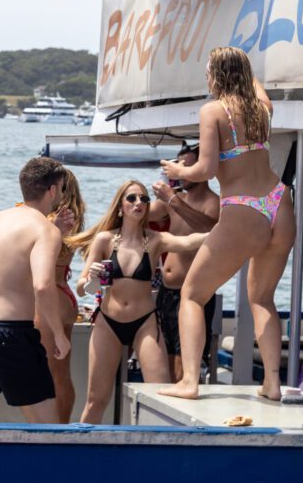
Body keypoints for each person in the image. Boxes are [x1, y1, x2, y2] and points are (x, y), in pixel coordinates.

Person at [159, 46, 296, 402]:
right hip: (279, 201)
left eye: (208, 70)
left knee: (191, 294)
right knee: (263, 298)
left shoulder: (213, 110)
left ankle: (190, 382)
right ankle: (271, 383)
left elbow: (204, 169)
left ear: (217, 75)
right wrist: (241, 63)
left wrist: (178, 171)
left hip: (243, 208)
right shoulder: (262, 109)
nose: (205, 75)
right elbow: (255, 85)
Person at [68, 180, 206, 424]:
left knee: (160, 396)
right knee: (95, 400)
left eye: (144, 199)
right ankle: (82, 453)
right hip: (108, 322)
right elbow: (80, 289)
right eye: (131, 198)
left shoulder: (155, 240)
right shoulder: (104, 240)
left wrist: (228, 227)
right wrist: (92, 278)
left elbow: (190, 242)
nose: (138, 203)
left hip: (145, 323)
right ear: (120, 206)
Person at [0, 157, 71, 423]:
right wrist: (59, 334)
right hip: (10, 334)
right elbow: (43, 285)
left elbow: (12, 260)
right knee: (48, 431)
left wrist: (51, 230)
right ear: (52, 190)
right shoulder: (45, 230)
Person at [149, 144, 220, 382]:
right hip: (166, 294)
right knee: (164, 362)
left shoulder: (214, 202)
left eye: (187, 166)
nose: (180, 171)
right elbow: (142, 214)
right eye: (178, 166)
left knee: (185, 365)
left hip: (192, 296)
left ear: (203, 169)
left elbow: (209, 228)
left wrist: (173, 201)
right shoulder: (175, 198)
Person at [34, 169, 84, 423]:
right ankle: (62, 425)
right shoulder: (74, 216)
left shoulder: (52, 219)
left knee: (48, 371)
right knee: (61, 373)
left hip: (50, 295)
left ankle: (54, 427)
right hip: (65, 293)